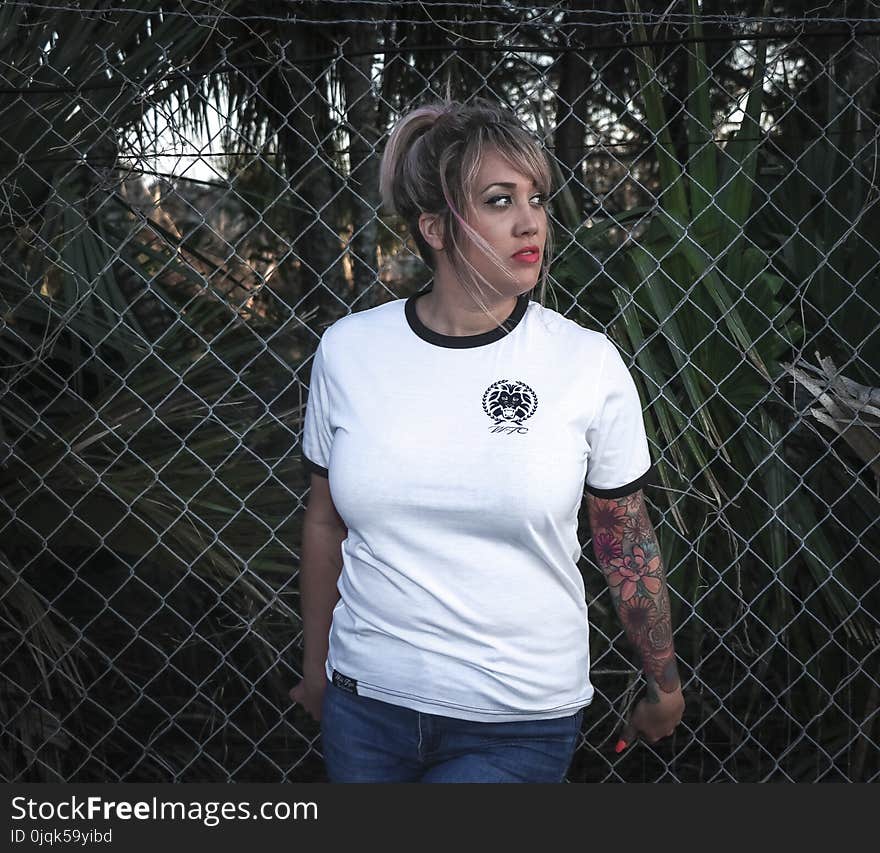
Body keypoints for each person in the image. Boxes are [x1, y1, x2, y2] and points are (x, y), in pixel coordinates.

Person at [290, 97, 685, 783]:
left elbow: (624, 536)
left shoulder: (584, 363)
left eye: (536, 198)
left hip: (518, 718)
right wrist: (318, 670)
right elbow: (324, 520)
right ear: (436, 227)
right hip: (367, 705)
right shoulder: (349, 351)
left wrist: (665, 682)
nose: (530, 220)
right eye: (499, 200)